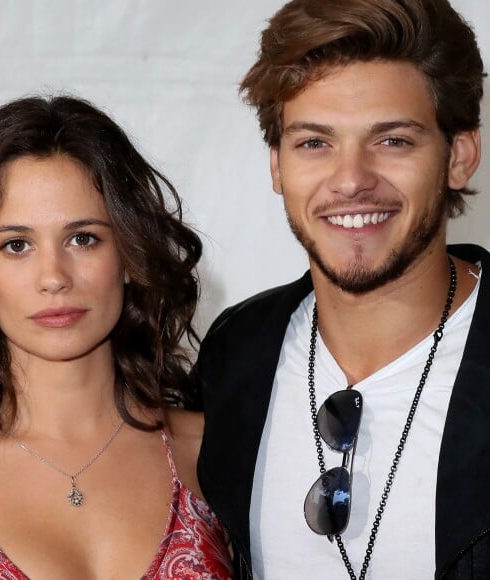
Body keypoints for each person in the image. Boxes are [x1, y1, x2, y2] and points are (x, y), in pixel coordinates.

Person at [194, 0, 489, 578]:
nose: (352, 178)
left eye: (393, 141)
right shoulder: (235, 354)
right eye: (314, 143)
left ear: (459, 156)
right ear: (276, 165)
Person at [0, 95, 233, 579]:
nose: (54, 276)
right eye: (16, 245)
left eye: (83, 238)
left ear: (129, 254)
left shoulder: (216, 452)